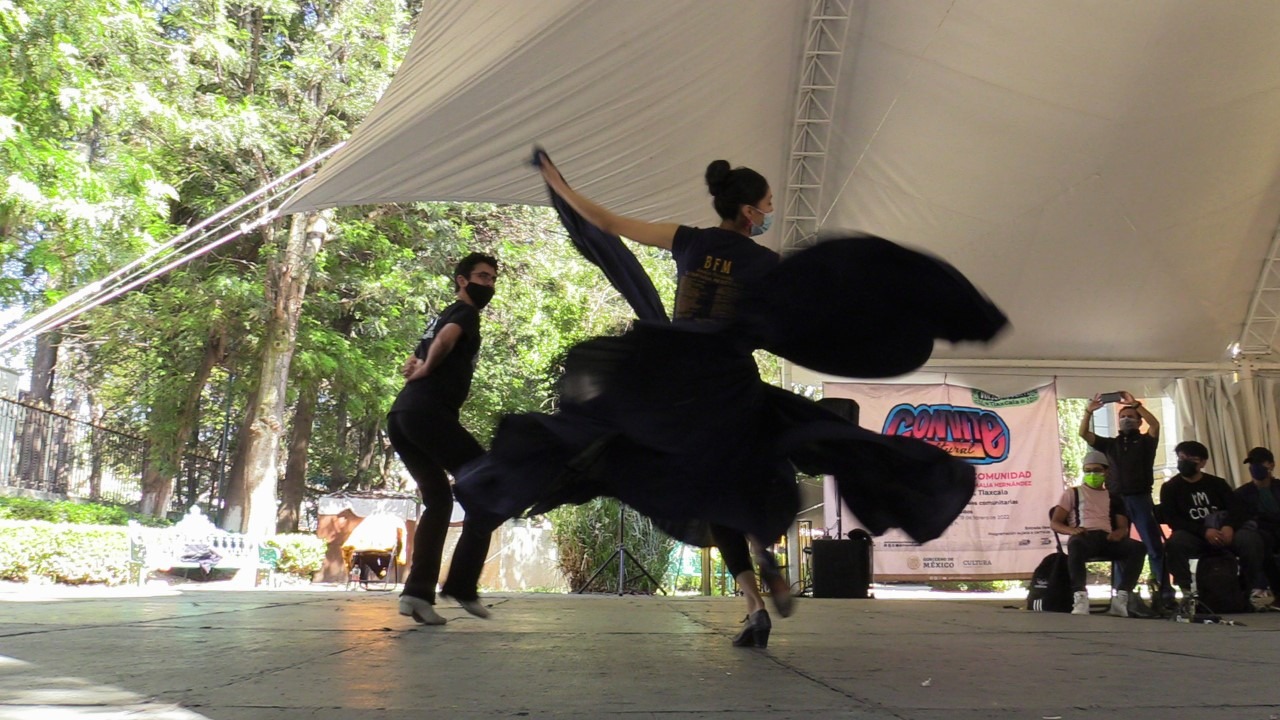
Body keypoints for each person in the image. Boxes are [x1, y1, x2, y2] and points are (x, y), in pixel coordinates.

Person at [539, 156, 789, 646]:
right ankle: (763, 551)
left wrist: (560, 186)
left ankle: (755, 606)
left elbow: (607, 224)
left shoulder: (689, 240)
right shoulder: (766, 263)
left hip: (681, 386)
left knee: (707, 489)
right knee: (749, 470)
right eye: (768, 206)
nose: (770, 213)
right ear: (747, 212)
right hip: (732, 382)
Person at [388, 252, 498, 624]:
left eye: (493, 279)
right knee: (490, 489)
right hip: (427, 415)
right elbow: (448, 341)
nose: (489, 284)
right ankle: (463, 585)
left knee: (438, 501)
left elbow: (416, 356)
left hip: (403, 417)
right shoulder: (464, 314)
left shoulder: (441, 315)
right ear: (462, 280)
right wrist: (428, 368)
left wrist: (417, 366)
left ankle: (417, 595)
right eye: (482, 277)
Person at [1159, 440, 1273, 610]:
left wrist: (1229, 526)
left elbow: (1236, 509)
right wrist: (1204, 531)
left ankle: (1246, 589)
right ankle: (1187, 592)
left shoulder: (1217, 484)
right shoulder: (1170, 487)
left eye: (1191, 458)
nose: (1184, 461)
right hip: (1194, 534)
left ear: (1203, 462)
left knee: (1250, 540)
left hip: (1224, 532)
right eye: (1181, 457)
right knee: (1175, 543)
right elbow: (1173, 519)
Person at [1079, 391, 1169, 606]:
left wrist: (1136, 404)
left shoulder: (1146, 442)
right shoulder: (1110, 444)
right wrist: (1088, 412)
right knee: (1120, 545)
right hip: (1115, 501)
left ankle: (1164, 592)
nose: (1126, 419)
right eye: (1122, 416)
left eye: (1130, 416)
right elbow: (1084, 434)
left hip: (1140, 498)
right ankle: (1121, 593)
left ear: (1138, 421)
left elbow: (1155, 425)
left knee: (1153, 546)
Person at [1050, 450, 1147, 616]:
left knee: (1138, 548)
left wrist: (1119, 533)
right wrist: (1072, 530)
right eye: (1087, 471)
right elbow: (1055, 522)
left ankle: (1122, 597)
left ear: (1106, 471)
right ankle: (1080, 597)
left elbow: (1122, 526)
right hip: (1084, 536)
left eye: (1096, 470)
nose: (1092, 474)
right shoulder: (1072, 493)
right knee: (1076, 545)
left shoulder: (1114, 498)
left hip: (1107, 538)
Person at [1235, 446, 1280, 596]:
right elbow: (1243, 519)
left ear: (1271, 465)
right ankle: (1259, 588)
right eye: (1252, 464)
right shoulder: (1242, 493)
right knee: (1259, 542)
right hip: (1260, 533)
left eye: (1260, 463)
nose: (1255, 467)